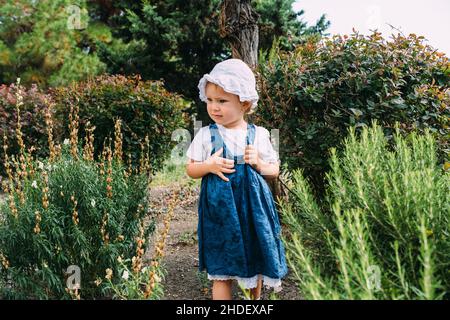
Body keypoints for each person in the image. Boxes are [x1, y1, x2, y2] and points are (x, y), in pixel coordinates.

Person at [185, 58, 288, 300]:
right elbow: (191, 169)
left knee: (255, 260)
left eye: (222, 101)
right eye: (210, 100)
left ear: (245, 103)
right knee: (222, 268)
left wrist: (260, 164)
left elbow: (274, 170)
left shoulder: (259, 135)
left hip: (254, 210)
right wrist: (208, 165)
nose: (214, 107)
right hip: (219, 212)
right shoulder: (206, 134)